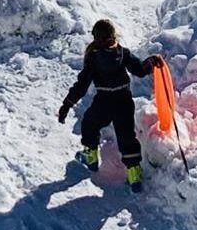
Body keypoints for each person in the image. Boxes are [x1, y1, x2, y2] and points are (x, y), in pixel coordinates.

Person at [57, 18, 162, 192]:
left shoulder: (93, 58)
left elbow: (81, 86)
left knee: (90, 123)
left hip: (104, 102)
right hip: (124, 101)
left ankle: (90, 157)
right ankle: (134, 174)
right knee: (127, 136)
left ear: (95, 38)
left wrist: (67, 105)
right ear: (113, 35)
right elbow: (140, 70)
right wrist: (151, 61)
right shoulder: (123, 53)